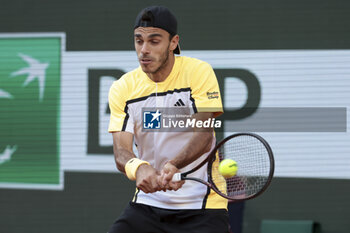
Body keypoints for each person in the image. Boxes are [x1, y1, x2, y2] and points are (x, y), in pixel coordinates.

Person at [107, 5, 229, 233]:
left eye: (154, 41)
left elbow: (203, 134)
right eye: (138, 40)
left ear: (173, 43)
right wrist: (139, 168)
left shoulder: (199, 72)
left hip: (202, 205)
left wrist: (173, 165)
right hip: (147, 205)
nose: (144, 50)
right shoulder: (122, 87)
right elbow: (121, 152)